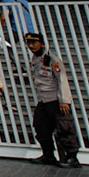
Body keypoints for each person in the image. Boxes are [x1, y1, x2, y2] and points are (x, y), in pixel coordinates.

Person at [24, 30, 80, 167]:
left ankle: (72, 157)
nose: (31, 46)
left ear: (42, 44)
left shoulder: (52, 59)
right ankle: (48, 155)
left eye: (34, 43)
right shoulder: (35, 59)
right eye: (29, 43)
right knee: (40, 127)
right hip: (43, 101)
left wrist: (64, 100)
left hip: (56, 100)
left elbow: (62, 79)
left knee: (64, 128)